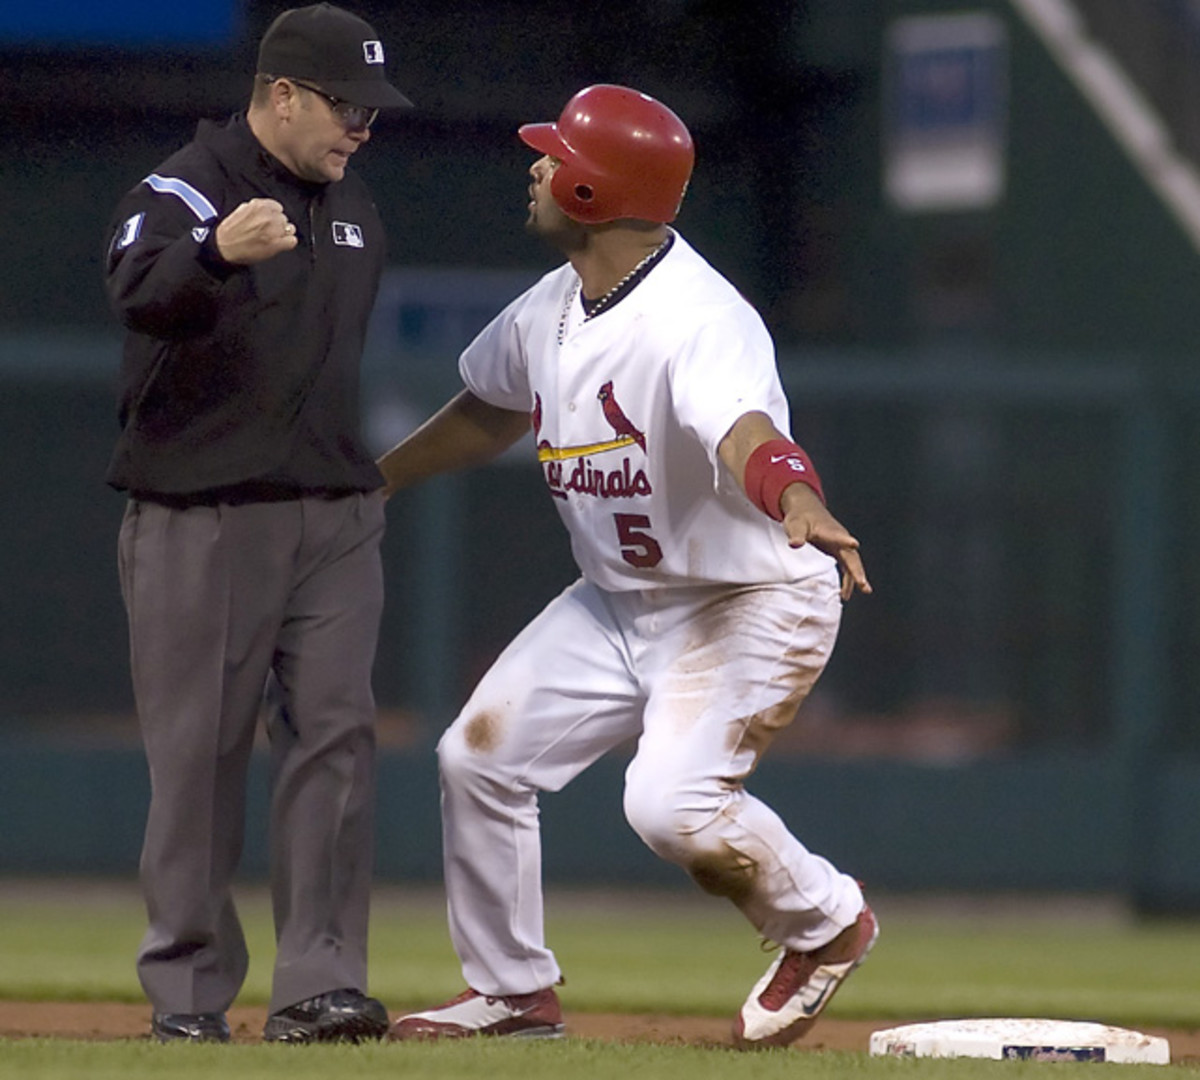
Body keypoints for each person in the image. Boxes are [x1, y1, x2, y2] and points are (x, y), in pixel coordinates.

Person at [377, 84, 877, 1050]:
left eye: (552, 155)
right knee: (475, 759)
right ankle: (514, 994)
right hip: (618, 601)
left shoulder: (698, 319)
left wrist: (799, 499)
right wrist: (377, 483)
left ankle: (824, 924)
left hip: (746, 597)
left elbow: (746, 434)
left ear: (594, 194)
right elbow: (490, 408)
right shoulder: (556, 304)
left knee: (668, 805)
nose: (535, 166)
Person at [103, 3, 411, 1045]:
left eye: (372, 111)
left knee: (337, 740)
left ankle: (318, 982)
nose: (361, 128)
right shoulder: (186, 188)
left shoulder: (354, 203)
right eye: (345, 106)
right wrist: (212, 255)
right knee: (202, 757)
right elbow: (134, 287)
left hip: (332, 512)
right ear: (281, 95)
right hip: (206, 515)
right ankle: (188, 995)